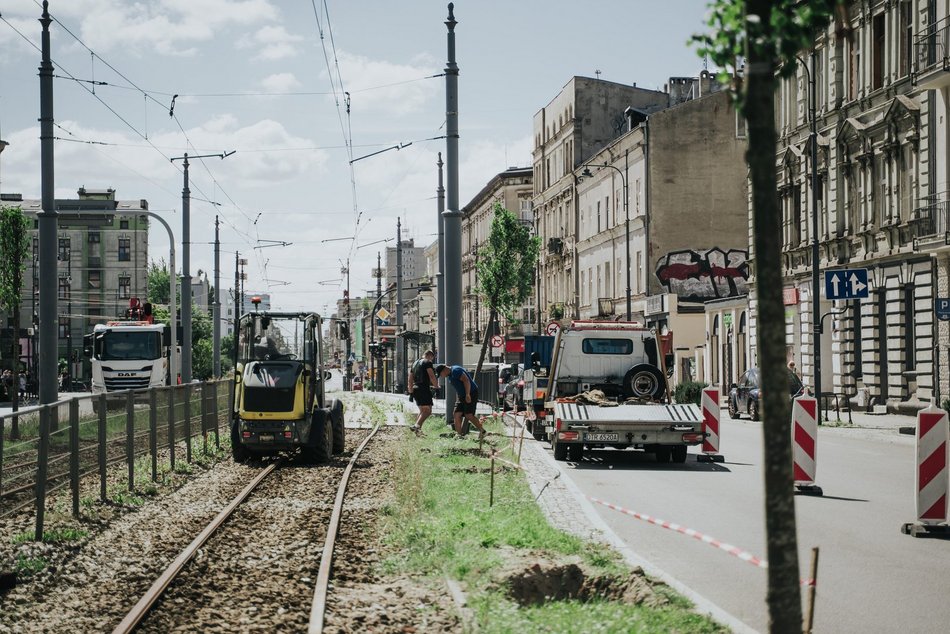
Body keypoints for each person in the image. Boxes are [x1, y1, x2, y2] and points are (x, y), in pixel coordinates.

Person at [434, 364, 486, 439]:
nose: (441, 376)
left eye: (441, 374)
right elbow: (458, 387)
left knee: (469, 415)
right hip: (461, 396)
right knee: (456, 414)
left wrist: (468, 395)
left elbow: (466, 381)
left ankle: (483, 431)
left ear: (444, 369)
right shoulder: (450, 375)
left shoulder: (455, 371)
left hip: (471, 393)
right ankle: (459, 435)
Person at [407, 350, 437, 435]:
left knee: (422, 411)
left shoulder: (415, 363)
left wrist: (411, 392)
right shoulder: (427, 362)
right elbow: (431, 375)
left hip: (415, 388)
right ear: (430, 356)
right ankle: (416, 426)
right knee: (427, 411)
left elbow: (410, 379)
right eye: (432, 358)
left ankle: (418, 432)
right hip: (423, 388)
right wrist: (436, 386)